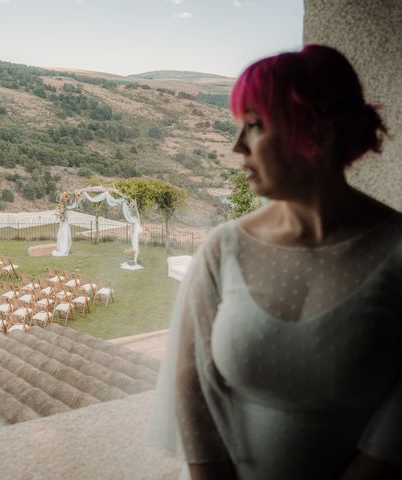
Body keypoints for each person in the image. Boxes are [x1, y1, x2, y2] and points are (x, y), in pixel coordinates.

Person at [149, 44, 401, 480]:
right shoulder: (223, 247)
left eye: (254, 127)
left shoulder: (396, 249)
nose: (236, 146)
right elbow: (192, 388)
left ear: (316, 134)